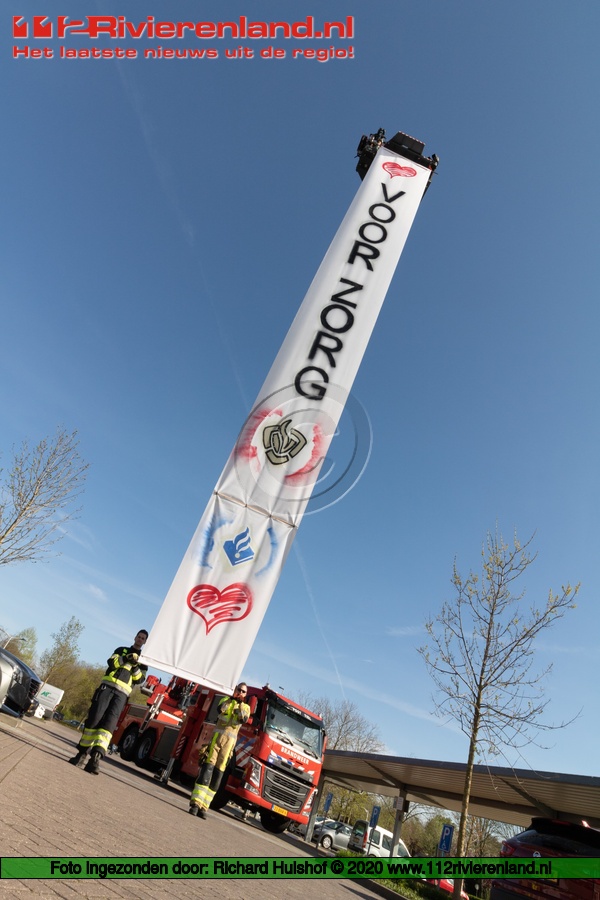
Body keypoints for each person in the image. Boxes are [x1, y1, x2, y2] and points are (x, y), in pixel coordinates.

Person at [68, 629, 148, 775]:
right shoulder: (121, 650)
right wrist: (126, 658)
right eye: (139, 636)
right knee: (94, 719)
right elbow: (112, 663)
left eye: (143, 638)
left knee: (109, 725)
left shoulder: (143, 661)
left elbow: (140, 680)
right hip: (106, 688)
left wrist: (136, 665)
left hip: (121, 695)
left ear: (145, 642)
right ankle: (81, 754)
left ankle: (95, 759)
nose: (140, 639)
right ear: (135, 637)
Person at [189, 682, 250, 819]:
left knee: (217, 776)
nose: (240, 692)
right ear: (235, 689)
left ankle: (204, 807)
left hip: (228, 746)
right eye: (239, 690)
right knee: (207, 770)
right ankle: (195, 804)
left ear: (246, 694)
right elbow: (220, 709)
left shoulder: (246, 707)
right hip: (216, 741)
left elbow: (243, 719)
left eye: (243, 691)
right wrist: (232, 700)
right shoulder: (225, 700)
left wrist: (240, 704)